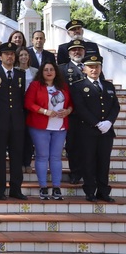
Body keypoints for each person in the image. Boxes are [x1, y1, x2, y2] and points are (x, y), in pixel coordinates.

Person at [71, 55, 120, 202]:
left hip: (106, 131)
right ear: (84, 68)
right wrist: (97, 123)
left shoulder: (108, 86)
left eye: (97, 66)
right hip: (88, 131)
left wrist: (109, 122)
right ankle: (90, 191)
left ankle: (103, 191)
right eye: (91, 66)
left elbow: (115, 106)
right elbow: (80, 108)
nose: (94, 69)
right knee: (89, 161)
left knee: (104, 162)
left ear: (101, 68)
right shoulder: (78, 85)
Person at [0, 42, 27, 200]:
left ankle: (16, 188)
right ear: (0, 56)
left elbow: (20, 98)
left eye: (12, 54)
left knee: (17, 155)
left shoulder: (20, 74)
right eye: (6, 54)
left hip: (17, 121)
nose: (10, 56)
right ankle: (0, 189)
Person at [25, 62, 72, 200]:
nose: (49, 72)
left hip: (60, 126)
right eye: (46, 70)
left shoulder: (63, 86)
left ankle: (56, 188)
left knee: (56, 157)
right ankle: (43, 187)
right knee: (42, 156)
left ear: (56, 72)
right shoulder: (35, 85)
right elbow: (28, 103)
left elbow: (71, 104)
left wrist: (68, 111)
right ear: (41, 72)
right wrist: (45, 111)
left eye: (52, 69)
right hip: (40, 126)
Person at [58, 40, 86, 184]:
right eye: (74, 50)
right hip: (72, 114)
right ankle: (75, 173)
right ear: (69, 53)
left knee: (88, 145)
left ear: (84, 52)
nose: (77, 52)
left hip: (89, 115)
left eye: (79, 50)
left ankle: (88, 173)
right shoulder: (62, 69)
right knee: (73, 145)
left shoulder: (91, 67)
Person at [16, 46, 39, 173]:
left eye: (26, 55)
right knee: (19, 135)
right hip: (18, 107)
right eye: (21, 55)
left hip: (32, 107)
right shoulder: (14, 70)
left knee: (29, 136)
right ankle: (19, 162)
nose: (24, 57)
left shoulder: (35, 71)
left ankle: (27, 162)